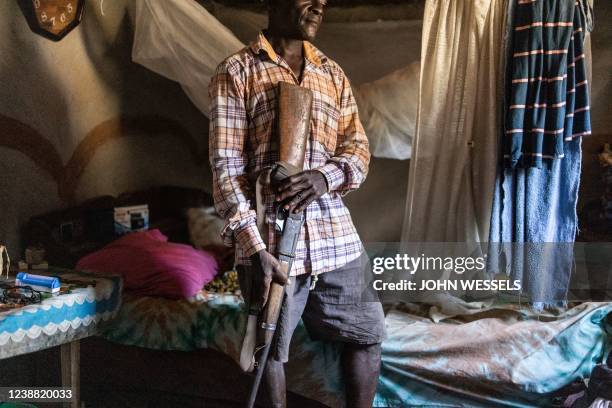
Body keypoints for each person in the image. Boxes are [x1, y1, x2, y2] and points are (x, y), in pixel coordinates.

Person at [208, 1, 385, 407]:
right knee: (268, 349)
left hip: (336, 238)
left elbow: (357, 149)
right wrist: (254, 249)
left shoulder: (332, 73)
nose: (320, 3)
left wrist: (326, 177)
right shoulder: (237, 71)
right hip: (272, 243)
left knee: (368, 333)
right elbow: (227, 169)